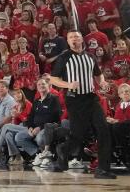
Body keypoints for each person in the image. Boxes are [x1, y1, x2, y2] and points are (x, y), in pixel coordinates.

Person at [48, 30, 116, 178]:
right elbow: (53, 79)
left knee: (103, 130)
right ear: (67, 41)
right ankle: (63, 150)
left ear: (81, 40)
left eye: (76, 37)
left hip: (91, 98)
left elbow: (98, 75)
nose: (73, 39)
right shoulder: (64, 57)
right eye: (70, 37)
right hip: (74, 99)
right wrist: (68, 84)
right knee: (78, 134)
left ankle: (103, 169)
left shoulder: (90, 56)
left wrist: (102, 83)